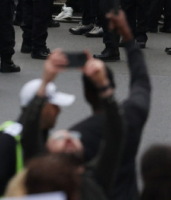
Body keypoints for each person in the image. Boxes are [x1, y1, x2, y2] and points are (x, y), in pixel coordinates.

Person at [13, 49, 125, 200]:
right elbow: (29, 134)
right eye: (59, 138)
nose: (68, 139)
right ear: (47, 153)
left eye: (72, 136)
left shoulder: (94, 179)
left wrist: (103, 83)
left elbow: (115, 136)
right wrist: (46, 81)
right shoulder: (40, 177)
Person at [70, 11, 151, 200]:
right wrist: (129, 38)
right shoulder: (131, 116)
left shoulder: (77, 136)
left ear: (86, 95)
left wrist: (46, 81)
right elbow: (141, 81)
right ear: (113, 86)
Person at [0, 58, 75, 199]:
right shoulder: (7, 140)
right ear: (42, 108)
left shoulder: (44, 137)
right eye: (54, 105)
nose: (59, 110)